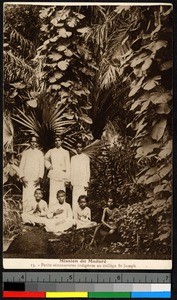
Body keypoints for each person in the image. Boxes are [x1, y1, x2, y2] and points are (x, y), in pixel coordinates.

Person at [19, 136, 44, 212]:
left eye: (35, 142)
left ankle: (35, 213)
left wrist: (40, 178)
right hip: (26, 179)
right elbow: (21, 166)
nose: (33, 143)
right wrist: (22, 177)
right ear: (29, 143)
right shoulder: (25, 153)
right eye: (32, 142)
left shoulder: (40, 153)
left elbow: (42, 166)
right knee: (26, 196)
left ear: (37, 143)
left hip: (35, 179)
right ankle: (26, 213)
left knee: (35, 196)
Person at [44, 136, 70, 209]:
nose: (57, 142)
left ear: (61, 141)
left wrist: (67, 179)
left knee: (61, 193)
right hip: (54, 174)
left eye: (59, 140)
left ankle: (62, 211)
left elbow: (68, 166)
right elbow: (45, 159)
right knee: (53, 193)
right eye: (56, 140)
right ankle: (52, 210)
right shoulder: (51, 151)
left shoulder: (65, 152)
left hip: (62, 176)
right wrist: (49, 166)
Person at [71, 141, 90, 212]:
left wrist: (87, 182)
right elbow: (72, 171)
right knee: (75, 200)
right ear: (75, 148)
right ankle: (75, 217)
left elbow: (87, 171)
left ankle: (83, 216)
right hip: (75, 183)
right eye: (77, 147)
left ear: (82, 148)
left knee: (83, 199)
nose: (78, 149)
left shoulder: (86, 158)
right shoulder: (73, 158)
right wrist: (71, 182)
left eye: (80, 147)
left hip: (83, 183)